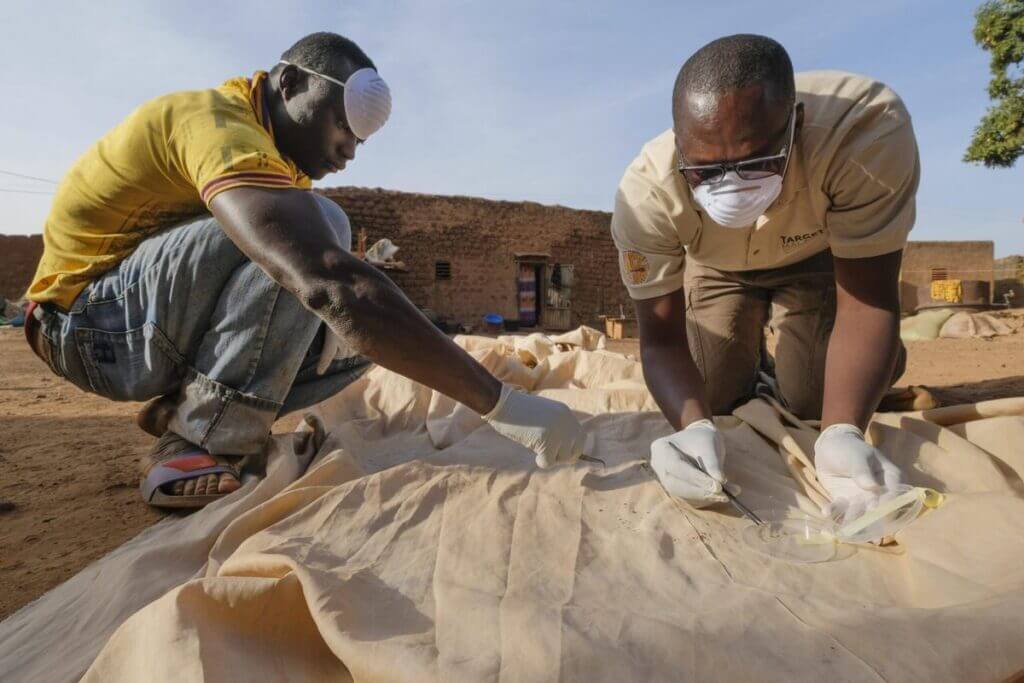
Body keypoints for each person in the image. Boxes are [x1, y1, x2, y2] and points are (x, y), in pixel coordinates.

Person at [24, 32, 586, 509]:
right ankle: (198, 440)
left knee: (370, 333)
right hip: (82, 323)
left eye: (358, 141)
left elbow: (341, 299)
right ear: (289, 84)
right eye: (340, 126)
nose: (348, 152)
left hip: (140, 324)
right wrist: (502, 403)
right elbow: (323, 278)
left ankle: (199, 419)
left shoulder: (272, 162)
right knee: (319, 241)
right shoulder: (215, 125)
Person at [611, 34, 918, 519]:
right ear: (679, 141)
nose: (731, 187)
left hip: (820, 257)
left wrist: (842, 432)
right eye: (706, 171)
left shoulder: (866, 134)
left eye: (757, 163)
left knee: (815, 400)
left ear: (794, 123)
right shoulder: (647, 193)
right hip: (717, 268)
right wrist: (692, 428)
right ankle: (753, 356)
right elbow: (661, 343)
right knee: (710, 394)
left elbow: (870, 303)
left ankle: (872, 361)